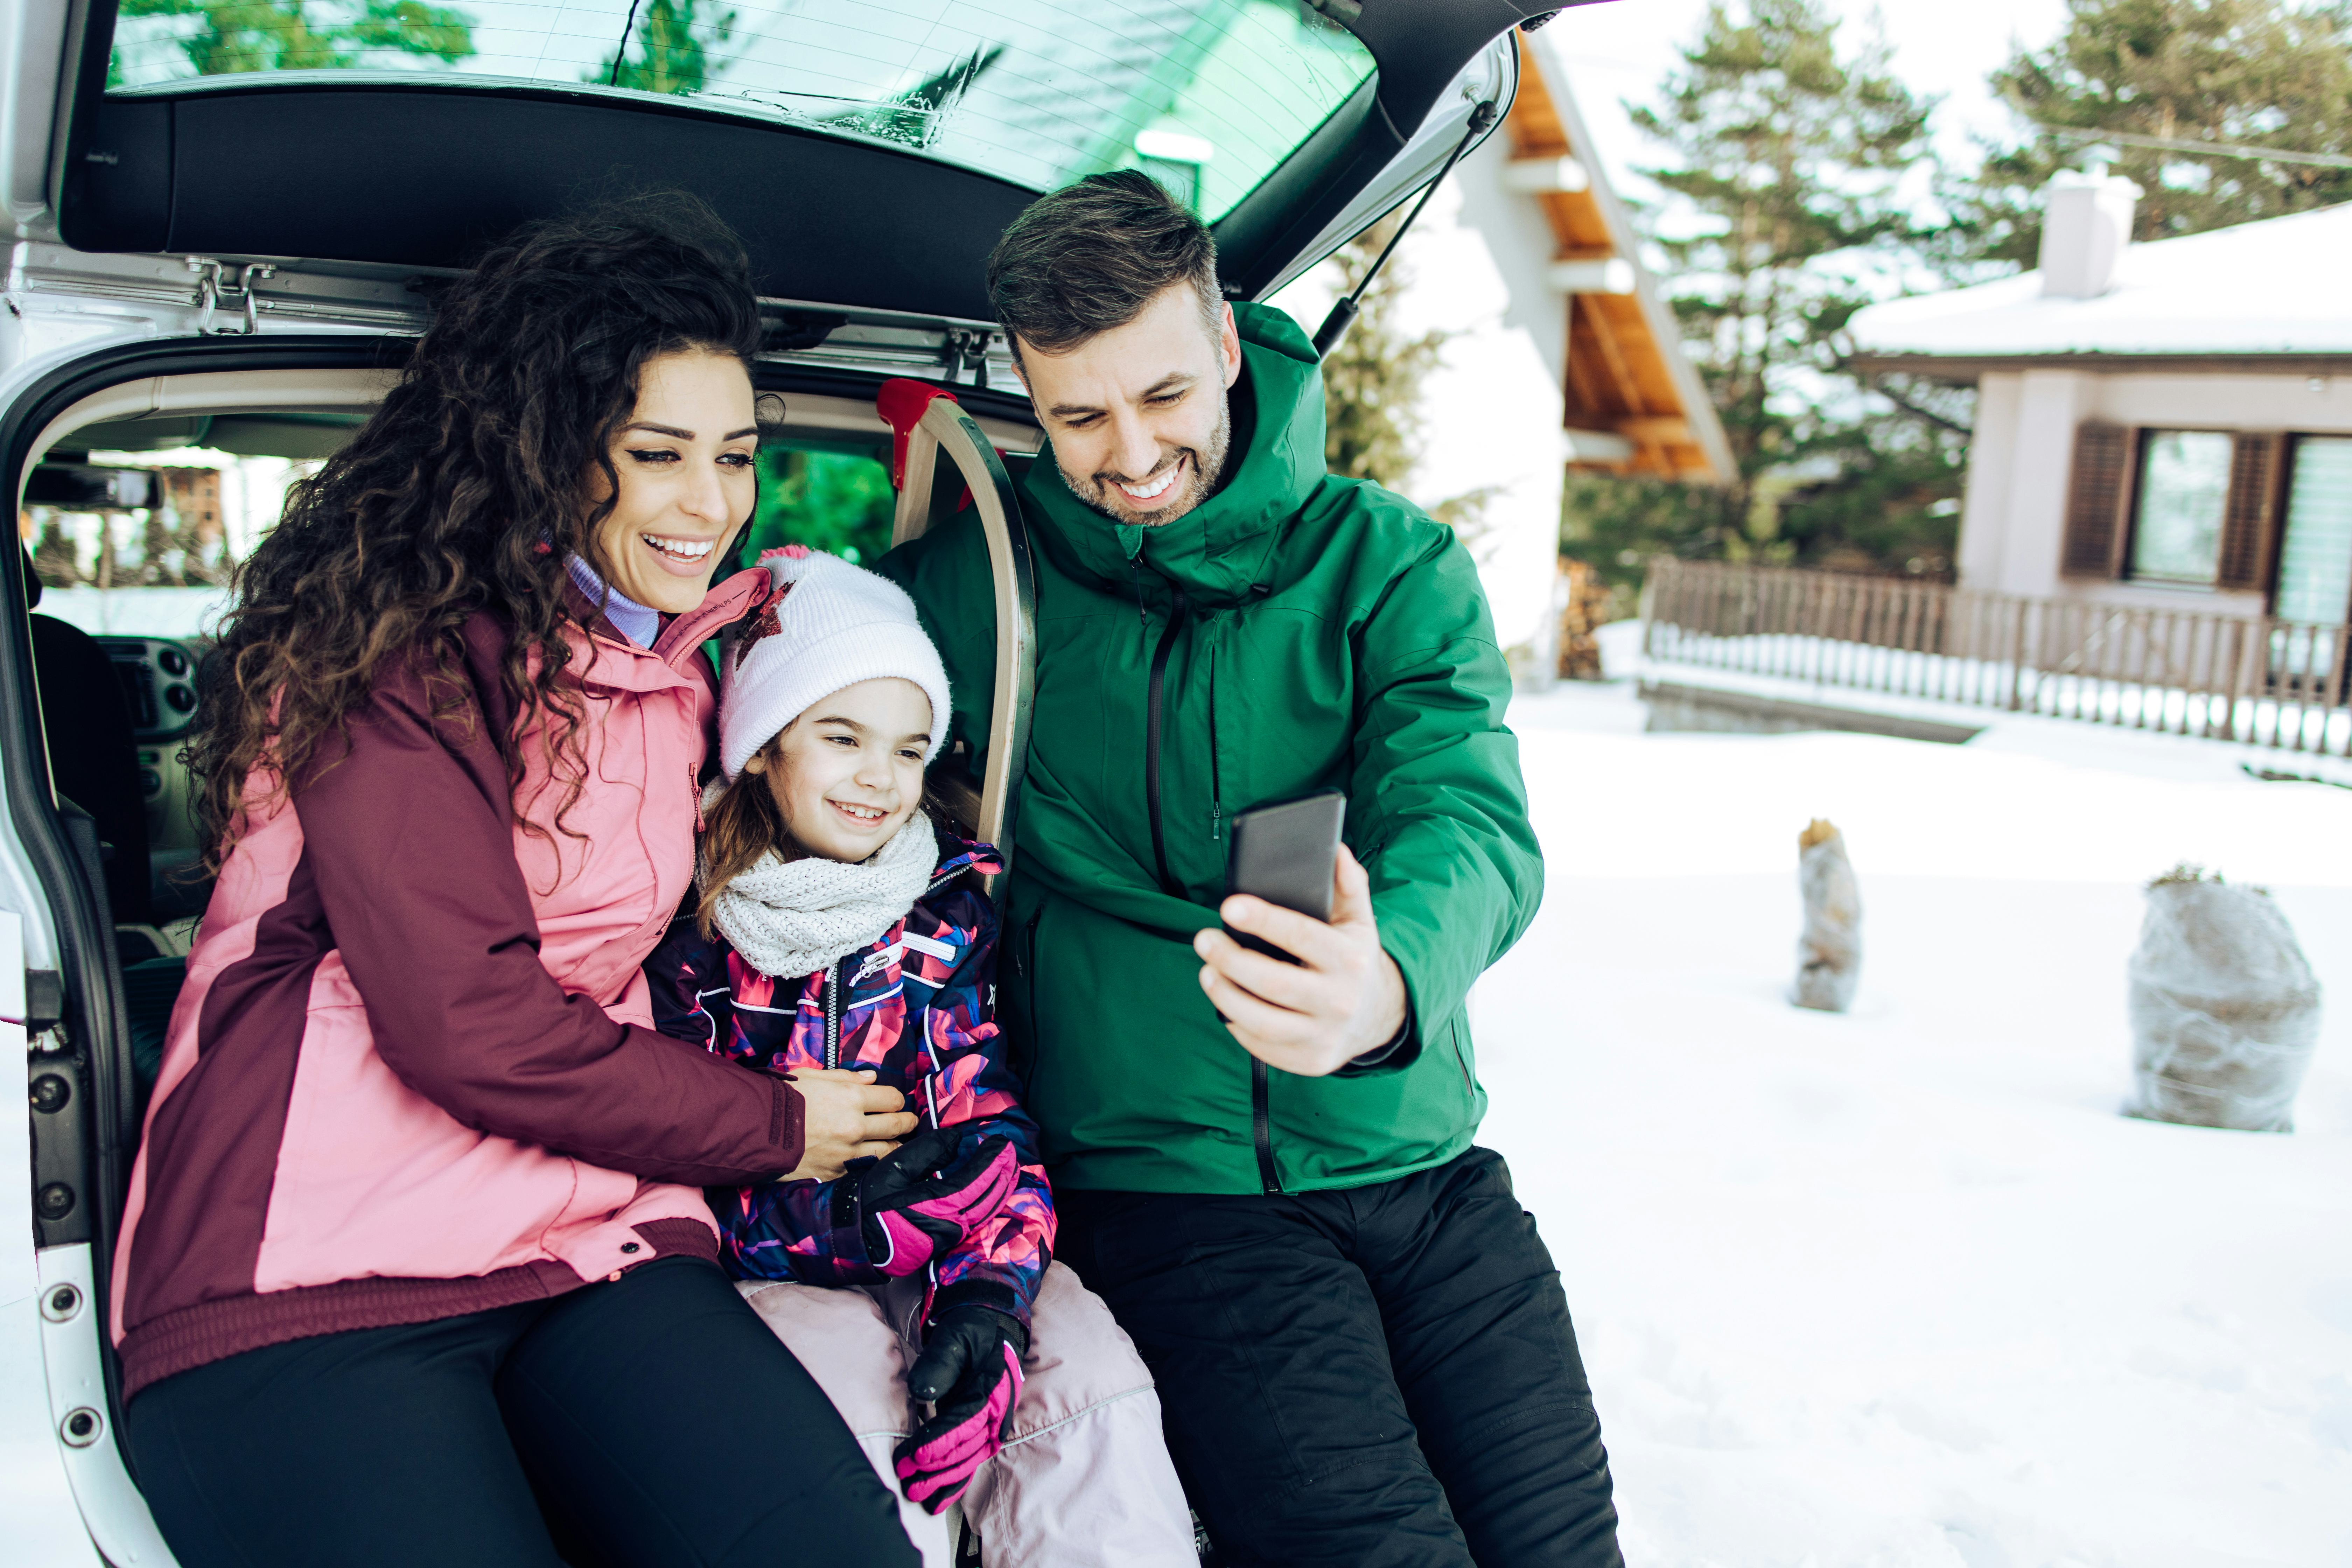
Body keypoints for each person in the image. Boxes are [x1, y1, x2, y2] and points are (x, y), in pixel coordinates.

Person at [112, 202, 921, 1568]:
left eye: (733, 457)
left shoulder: (679, 673)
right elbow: (466, 1019)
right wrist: (775, 1121)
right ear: (552, 449)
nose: (709, 502)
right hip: (317, 1263)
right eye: (657, 455)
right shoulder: (401, 648)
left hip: (589, 1233)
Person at [880, 171, 1623, 1567]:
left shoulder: (1387, 566)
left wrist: (1390, 976)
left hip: (1421, 1156)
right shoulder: (979, 583)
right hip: (1173, 1186)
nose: (1132, 450)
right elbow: (800, 697)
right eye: (1080, 416)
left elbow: (1469, 812)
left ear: (1227, 341)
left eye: (1163, 394)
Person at [645, 546, 1196, 1568]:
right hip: (766, 1277)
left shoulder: (944, 911)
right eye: (842, 737)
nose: (878, 778)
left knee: (1086, 1387)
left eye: (908, 750)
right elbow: (658, 1135)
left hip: (941, 1249)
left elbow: (989, 1121)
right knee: (854, 1425)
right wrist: (794, 1175)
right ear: (764, 744)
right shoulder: (693, 926)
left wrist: (986, 1286)